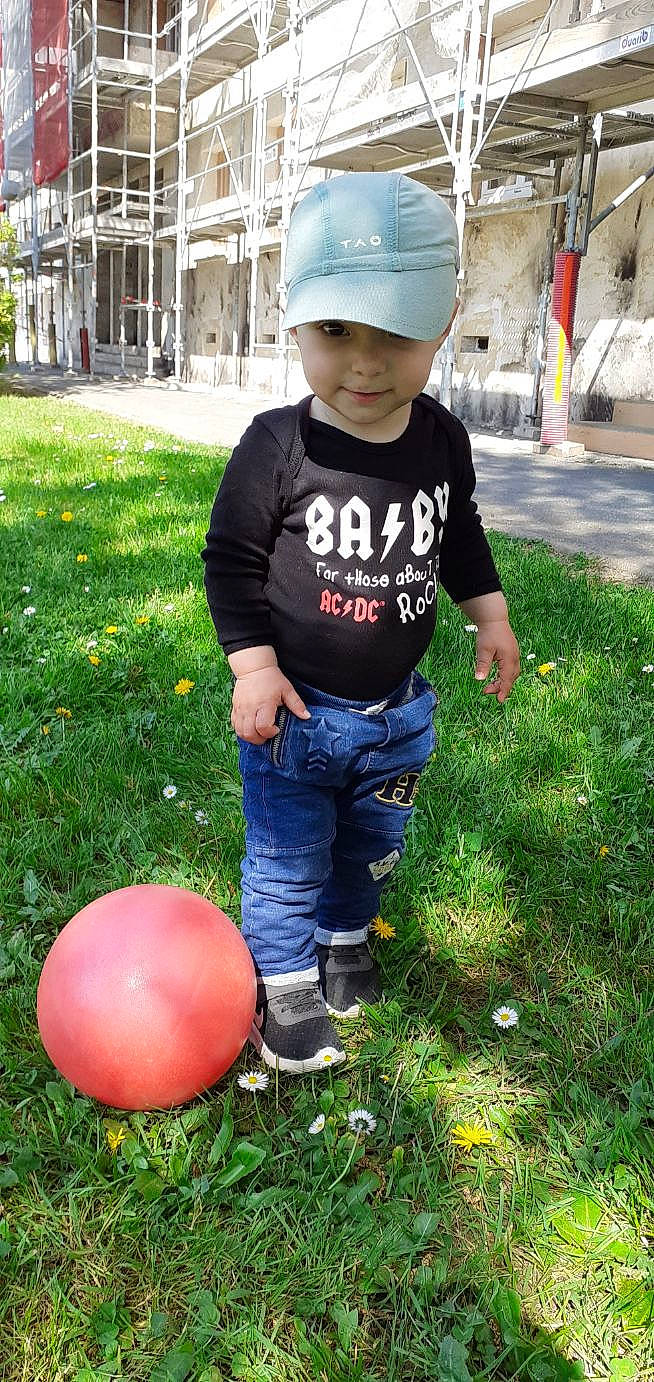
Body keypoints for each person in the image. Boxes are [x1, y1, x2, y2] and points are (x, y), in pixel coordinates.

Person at [201, 171, 520, 1075]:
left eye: (396, 332)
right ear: (296, 320)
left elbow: (458, 533)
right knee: (286, 858)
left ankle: (344, 941)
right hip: (296, 716)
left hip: (396, 716)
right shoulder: (278, 444)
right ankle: (288, 988)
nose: (366, 362)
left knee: (373, 846)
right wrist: (253, 668)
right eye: (337, 331)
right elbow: (232, 562)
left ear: (447, 320)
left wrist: (488, 617)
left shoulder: (442, 438)